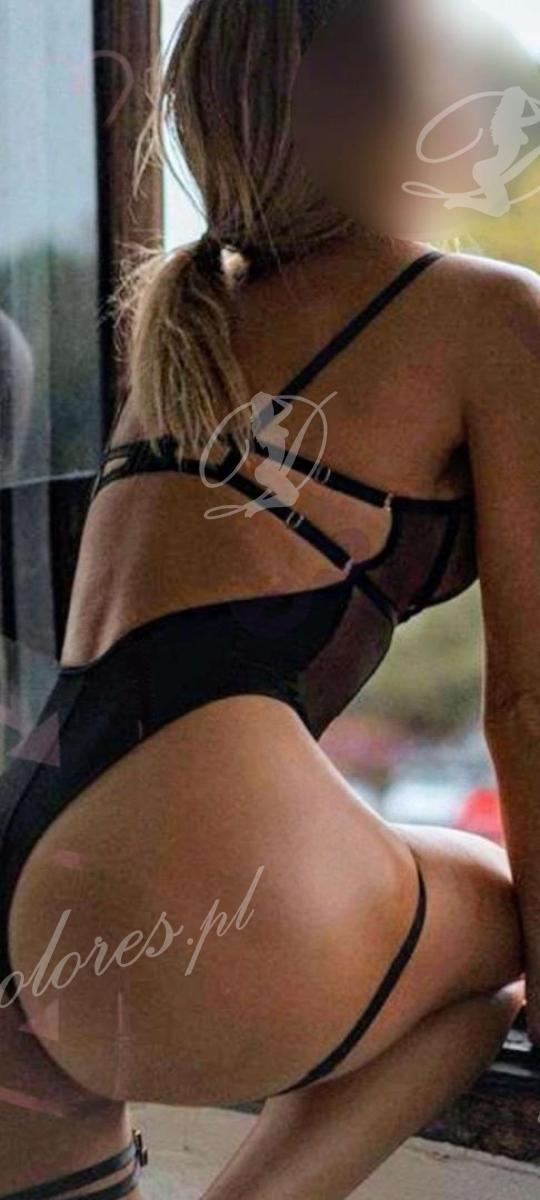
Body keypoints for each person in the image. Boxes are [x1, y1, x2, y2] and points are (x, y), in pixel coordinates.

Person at [1, 2, 538, 1198]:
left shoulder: (184, 320)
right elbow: (527, 701)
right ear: (393, 98)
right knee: (501, 929)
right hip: (204, 898)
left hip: (28, 875)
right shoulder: (485, 315)